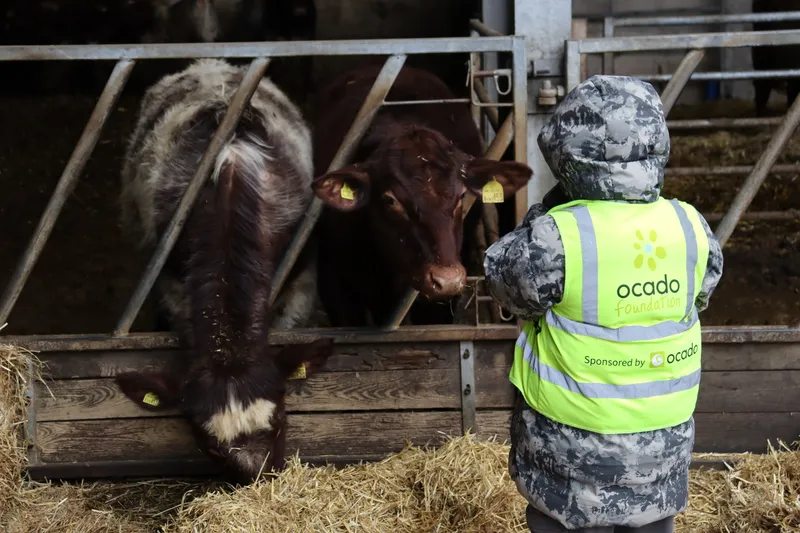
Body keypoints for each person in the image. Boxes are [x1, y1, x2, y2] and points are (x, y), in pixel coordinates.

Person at [484, 75, 724, 533]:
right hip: (662, 451)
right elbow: (703, 291)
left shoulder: (556, 236)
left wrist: (546, 212)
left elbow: (504, 282)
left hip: (571, 455)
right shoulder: (690, 225)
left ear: (565, 152)